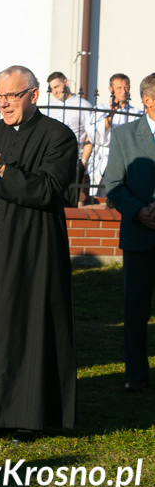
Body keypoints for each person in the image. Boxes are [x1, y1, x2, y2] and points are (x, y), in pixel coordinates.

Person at [0, 65, 77, 444]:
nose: (4, 103)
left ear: (33, 95)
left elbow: (49, 191)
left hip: (34, 244)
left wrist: (3, 171)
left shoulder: (58, 136)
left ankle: (28, 415)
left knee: (29, 326)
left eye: (11, 95)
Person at [103, 72, 155, 394]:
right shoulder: (124, 136)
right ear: (148, 100)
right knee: (136, 308)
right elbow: (114, 185)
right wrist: (140, 211)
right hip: (139, 236)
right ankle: (136, 372)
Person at [85, 74, 143, 198]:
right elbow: (94, 136)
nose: (124, 91)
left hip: (128, 160)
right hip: (104, 158)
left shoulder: (137, 113)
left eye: (126, 87)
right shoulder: (100, 109)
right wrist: (111, 115)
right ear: (110, 89)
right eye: (119, 88)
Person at [43, 71, 93, 206]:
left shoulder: (84, 105)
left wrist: (83, 161)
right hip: (52, 160)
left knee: (71, 203)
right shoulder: (49, 107)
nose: (55, 91)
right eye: (52, 89)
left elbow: (91, 135)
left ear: (65, 82)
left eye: (57, 87)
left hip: (75, 161)